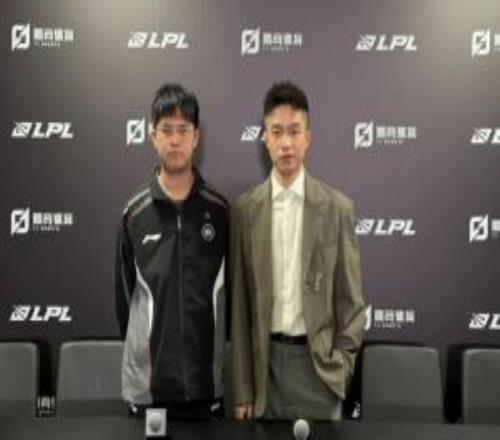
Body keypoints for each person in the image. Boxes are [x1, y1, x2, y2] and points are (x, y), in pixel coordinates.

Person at [230, 81, 365, 420]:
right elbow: (240, 309)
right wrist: (243, 389)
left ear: (308, 138)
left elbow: (351, 304)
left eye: (294, 131)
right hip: (264, 373)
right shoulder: (245, 211)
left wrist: (340, 368)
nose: (286, 143)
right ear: (265, 139)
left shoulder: (337, 209)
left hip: (319, 373)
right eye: (277, 132)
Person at [115, 83, 229, 420]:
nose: (175, 140)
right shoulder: (134, 214)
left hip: (205, 388)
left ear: (196, 137)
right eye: (166, 130)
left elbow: (232, 298)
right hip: (148, 390)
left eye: (183, 130)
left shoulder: (219, 211)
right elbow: (124, 301)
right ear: (153, 137)